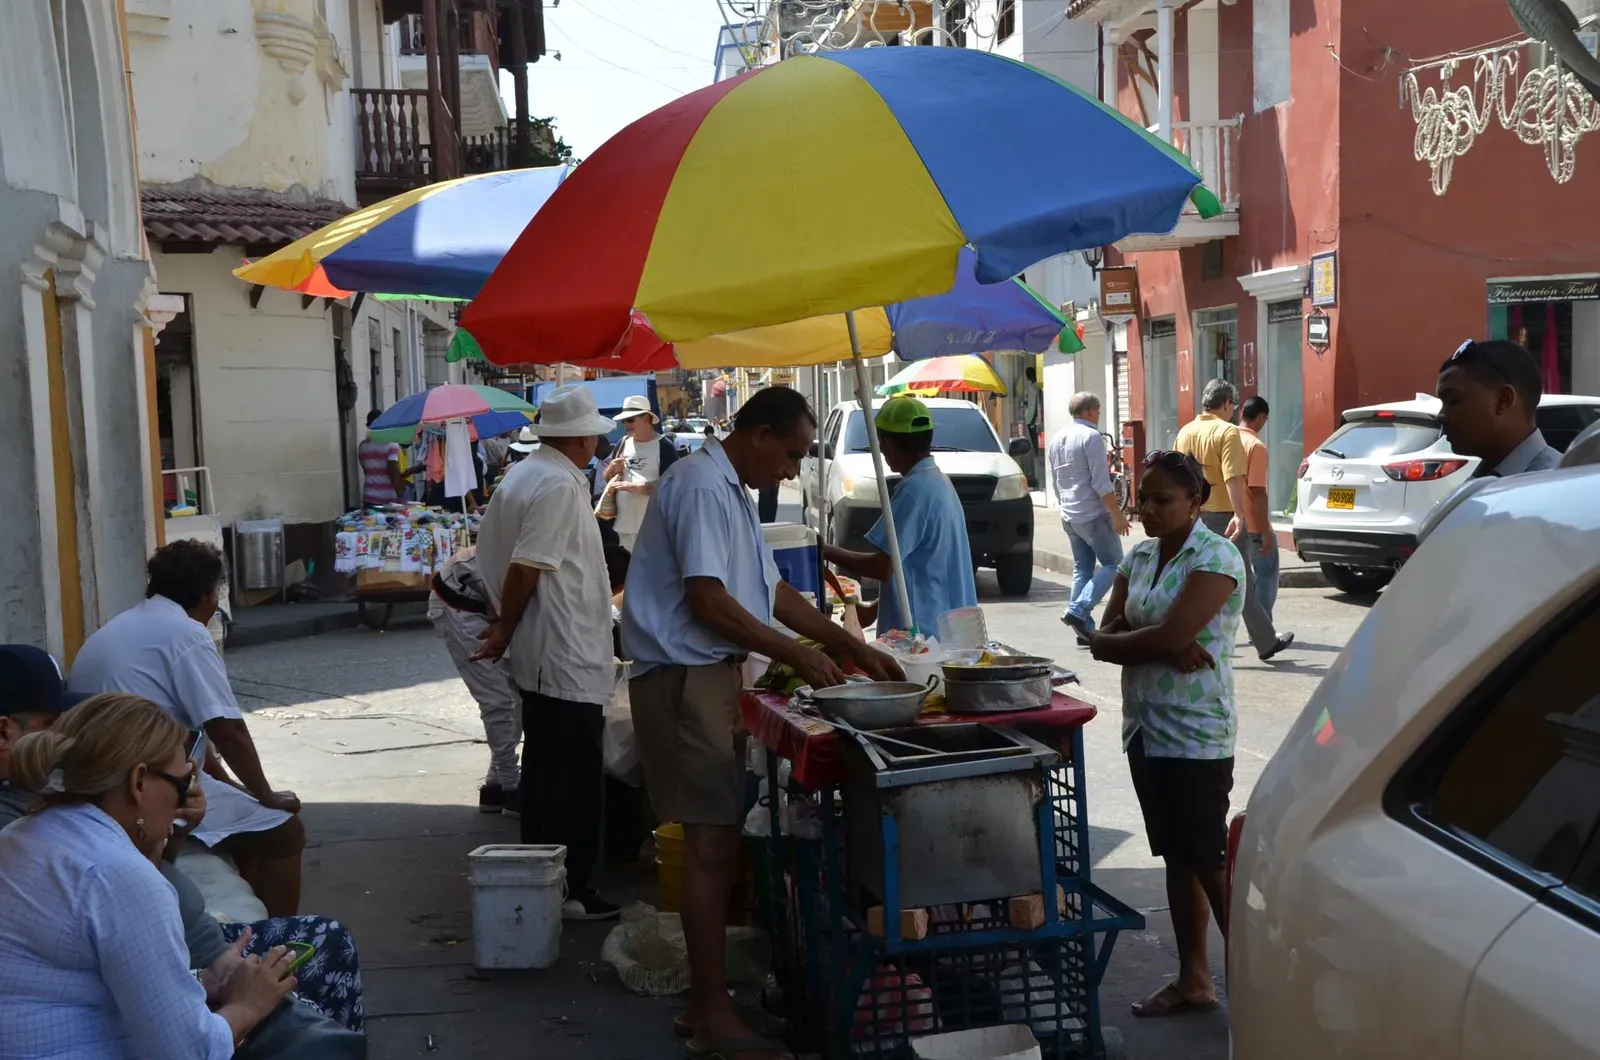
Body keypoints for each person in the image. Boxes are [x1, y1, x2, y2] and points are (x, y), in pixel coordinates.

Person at [623, 386, 904, 1059]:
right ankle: (711, 1014)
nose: (790, 468)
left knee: (720, 844)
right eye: (791, 453)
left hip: (711, 677)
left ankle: (708, 1007)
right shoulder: (697, 483)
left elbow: (770, 588)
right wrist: (797, 654)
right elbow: (708, 599)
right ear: (757, 434)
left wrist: (850, 645)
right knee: (711, 845)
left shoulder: (731, 490)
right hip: (683, 678)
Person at [0, 693, 299, 1056]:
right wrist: (250, 1004)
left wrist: (202, 981)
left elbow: (72, 979)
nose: (186, 800)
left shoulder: (21, 834)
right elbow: (186, 1052)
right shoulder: (117, 874)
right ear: (138, 781)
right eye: (183, 782)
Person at [69, 540, 307, 917]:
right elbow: (227, 730)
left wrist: (238, 789)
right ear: (209, 594)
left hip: (103, 771)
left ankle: (247, 926)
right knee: (286, 832)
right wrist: (266, 796)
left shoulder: (133, 622)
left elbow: (195, 735)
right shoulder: (186, 633)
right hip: (135, 783)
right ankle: (276, 944)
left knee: (246, 822)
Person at [1087, 450, 1245, 1019]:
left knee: (1207, 856)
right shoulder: (1142, 555)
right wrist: (1158, 640)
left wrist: (1152, 637)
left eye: (1162, 500)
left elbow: (1131, 636)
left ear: (1196, 503)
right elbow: (1104, 632)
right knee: (1178, 857)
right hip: (1146, 729)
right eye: (1142, 498)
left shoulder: (1217, 555)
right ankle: (1194, 979)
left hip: (1197, 733)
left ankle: (1262, 981)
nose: (1148, 509)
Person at [473, 385, 621, 921]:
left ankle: (543, 882)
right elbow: (525, 566)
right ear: (581, 437)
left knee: (545, 772)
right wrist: (506, 626)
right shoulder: (558, 482)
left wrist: (507, 625)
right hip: (561, 649)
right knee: (571, 776)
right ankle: (573, 888)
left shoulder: (531, 474)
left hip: (549, 646)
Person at [823, 396, 977, 635]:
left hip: (924, 638)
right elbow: (915, 570)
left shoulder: (915, 489)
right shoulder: (938, 482)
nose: (882, 451)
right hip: (949, 633)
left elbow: (882, 567)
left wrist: (826, 551)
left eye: (881, 444)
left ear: (889, 444)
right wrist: (873, 610)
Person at [1174, 380, 1293, 662]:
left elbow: (1178, 477)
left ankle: (1186, 636)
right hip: (1224, 518)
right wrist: (1239, 515)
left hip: (1193, 517)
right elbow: (1233, 477)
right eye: (1233, 405)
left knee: (1196, 579)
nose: (1233, 411)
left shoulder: (1185, 431)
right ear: (1226, 403)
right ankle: (1264, 642)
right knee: (1241, 579)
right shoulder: (1226, 432)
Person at [430, 546, 523, 817]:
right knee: (499, 699)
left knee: (513, 695)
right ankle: (511, 787)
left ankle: (497, 784)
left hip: (478, 595)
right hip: (461, 603)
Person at [1050, 392, 1131, 646]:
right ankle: (1079, 609)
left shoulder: (1057, 438)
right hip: (1092, 515)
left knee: (1082, 568)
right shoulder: (1091, 437)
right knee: (1115, 565)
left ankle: (1082, 629)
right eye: (1097, 411)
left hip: (1069, 514)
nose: (1098, 416)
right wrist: (1117, 515)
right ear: (1088, 412)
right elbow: (1101, 483)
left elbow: (1055, 481)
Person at [1437, 339, 1561, 477]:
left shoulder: (1556, 487)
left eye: (1453, 400)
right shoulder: (1483, 478)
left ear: (1503, 400)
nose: (1440, 416)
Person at [0, 645, 84, 825]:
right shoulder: (7, 822)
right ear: (3, 733)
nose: (61, 734)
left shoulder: (25, 789)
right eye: (49, 723)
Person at [605, 394, 679, 551]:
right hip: (624, 527)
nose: (625, 424)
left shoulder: (664, 446)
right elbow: (608, 479)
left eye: (630, 420)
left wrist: (638, 488)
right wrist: (612, 469)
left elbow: (673, 485)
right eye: (623, 421)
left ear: (646, 418)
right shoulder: (622, 443)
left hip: (654, 529)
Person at [1236, 395, 1279, 620]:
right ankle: (1264, 629)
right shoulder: (1256, 446)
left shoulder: (1227, 438)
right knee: (1265, 575)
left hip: (1229, 520)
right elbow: (1257, 492)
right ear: (1261, 417)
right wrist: (1265, 532)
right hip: (1252, 526)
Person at [358, 410, 406, 507]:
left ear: (368, 426)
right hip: (387, 500)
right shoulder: (391, 444)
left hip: (368, 497)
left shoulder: (362, 446)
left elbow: (366, 470)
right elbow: (394, 472)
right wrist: (400, 495)